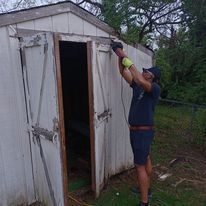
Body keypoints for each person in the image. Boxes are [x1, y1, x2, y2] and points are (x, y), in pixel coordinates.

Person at [111, 42, 161, 206]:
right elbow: (123, 72)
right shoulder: (138, 87)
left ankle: (144, 202)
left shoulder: (153, 88)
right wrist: (119, 55)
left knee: (139, 165)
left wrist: (126, 57)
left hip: (142, 132)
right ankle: (146, 189)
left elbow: (137, 76)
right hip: (137, 131)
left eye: (147, 71)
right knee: (145, 159)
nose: (144, 71)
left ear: (151, 77)